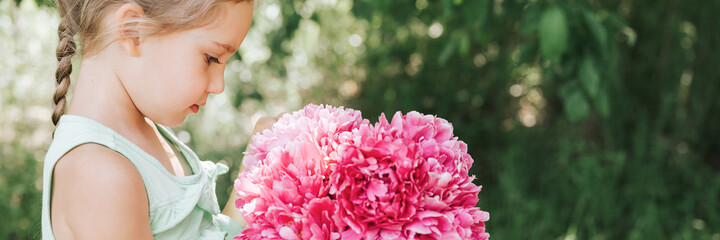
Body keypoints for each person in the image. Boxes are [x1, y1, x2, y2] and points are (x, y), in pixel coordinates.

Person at [41, 0, 279, 239]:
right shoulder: (99, 174)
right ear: (133, 30)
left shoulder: (143, 134)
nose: (219, 85)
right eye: (212, 58)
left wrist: (258, 168)